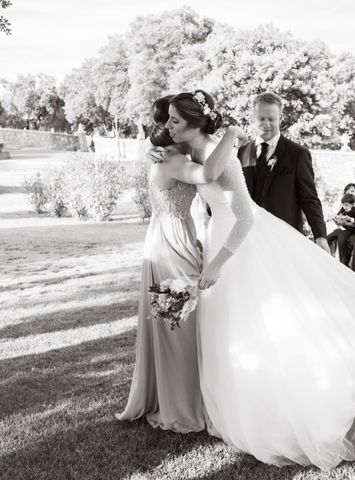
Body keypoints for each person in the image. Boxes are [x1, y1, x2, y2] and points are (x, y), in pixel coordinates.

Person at [157, 91, 355, 469]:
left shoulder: (233, 151)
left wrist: (223, 261)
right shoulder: (197, 153)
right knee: (239, 329)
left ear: (196, 123)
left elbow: (251, 215)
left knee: (280, 325)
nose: (167, 127)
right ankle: (250, 396)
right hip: (223, 239)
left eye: (174, 121)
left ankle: (297, 402)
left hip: (250, 244)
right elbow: (186, 175)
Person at [116, 93, 248, 432]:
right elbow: (207, 173)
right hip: (174, 250)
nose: (169, 127)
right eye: (168, 122)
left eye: (174, 120)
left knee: (170, 323)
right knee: (179, 327)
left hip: (160, 244)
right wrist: (231, 136)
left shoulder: (161, 157)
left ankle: (171, 398)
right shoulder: (173, 161)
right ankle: (183, 406)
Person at [238, 92, 329, 253]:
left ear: (280, 117)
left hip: (285, 239)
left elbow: (309, 198)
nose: (266, 124)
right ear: (253, 118)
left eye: (271, 119)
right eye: (261, 118)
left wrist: (320, 236)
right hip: (249, 239)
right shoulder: (243, 152)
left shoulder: (298, 154)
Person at [327, 192, 355, 265]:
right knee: (328, 238)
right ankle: (329, 255)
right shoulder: (343, 208)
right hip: (341, 228)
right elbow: (338, 215)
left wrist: (350, 219)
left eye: (347, 205)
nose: (345, 207)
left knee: (342, 242)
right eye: (343, 205)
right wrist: (336, 218)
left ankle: (344, 261)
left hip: (348, 230)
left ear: (352, 204)